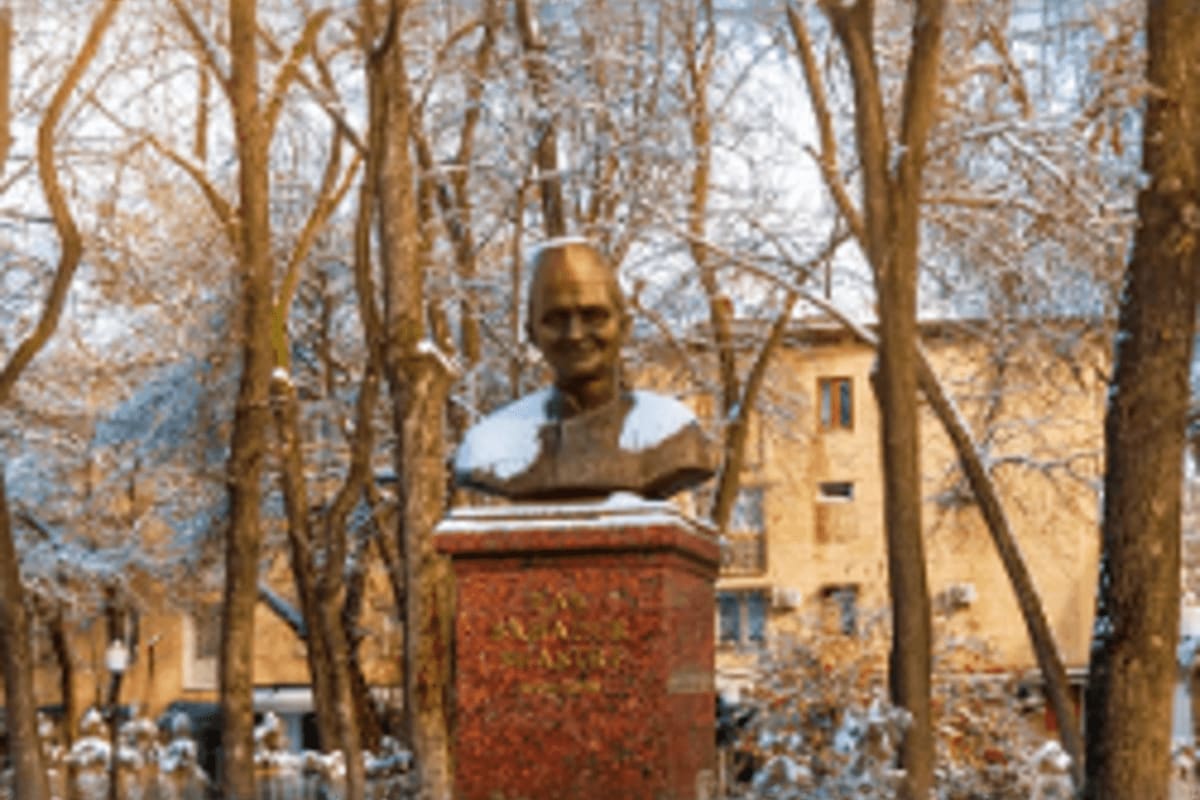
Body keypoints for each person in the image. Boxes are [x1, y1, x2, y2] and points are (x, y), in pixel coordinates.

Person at [453, 238, 715, 500]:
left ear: (625, 326)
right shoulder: (489, 445)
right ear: (531, 333)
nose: (575, 335)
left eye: (593, 316)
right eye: (555, 319)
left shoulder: (672, 435)